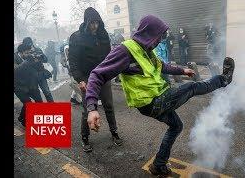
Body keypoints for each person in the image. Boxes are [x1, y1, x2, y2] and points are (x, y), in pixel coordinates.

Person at [85, 15, 235, 176]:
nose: (160, 40)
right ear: (148, 33)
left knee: (177, 126)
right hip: (152, 102)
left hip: (157, 98)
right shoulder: (125, 50)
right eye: (159, 36)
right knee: (192, 87)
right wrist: (92, 108)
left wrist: (182, 70)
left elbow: (160, 65)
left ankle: (158, 165)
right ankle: (224, 79)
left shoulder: (146, 49)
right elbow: (97, 75)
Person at [68, 7, 122, 152]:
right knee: (88, 109)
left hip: (103, 74)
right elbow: (72, 61)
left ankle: (114, 132)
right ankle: (85, 138)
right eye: (91, 23)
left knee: (109, 106)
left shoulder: (103, 35)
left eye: (97, 23)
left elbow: (109, 56)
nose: (94, 26)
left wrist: (112, 70)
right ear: (86, 22)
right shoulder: (76, 37)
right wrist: (80, 79)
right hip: (86, 76)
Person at [14, 43, 43, 126]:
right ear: (21, 53)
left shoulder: (31, 57)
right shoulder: (15, 58)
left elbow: (39, 69)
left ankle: (36, 119)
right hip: (18, 86)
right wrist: (27, 62)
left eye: (29, 52)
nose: (28, 55)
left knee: (39, 102)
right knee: (28, 104)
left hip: (31, 84)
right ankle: (23, 119)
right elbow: (16, 70)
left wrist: (39, 61)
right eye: (26, 53)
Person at [22, 37, 54, 102]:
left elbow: (45, 60)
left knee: (46, 92)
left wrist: (41, 56)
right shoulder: (24, 53)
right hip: (31, 77)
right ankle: (41, 110)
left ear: (31, 43)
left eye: (28, 44)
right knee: (37, 96)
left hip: (40, 74)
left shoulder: (38, 50)